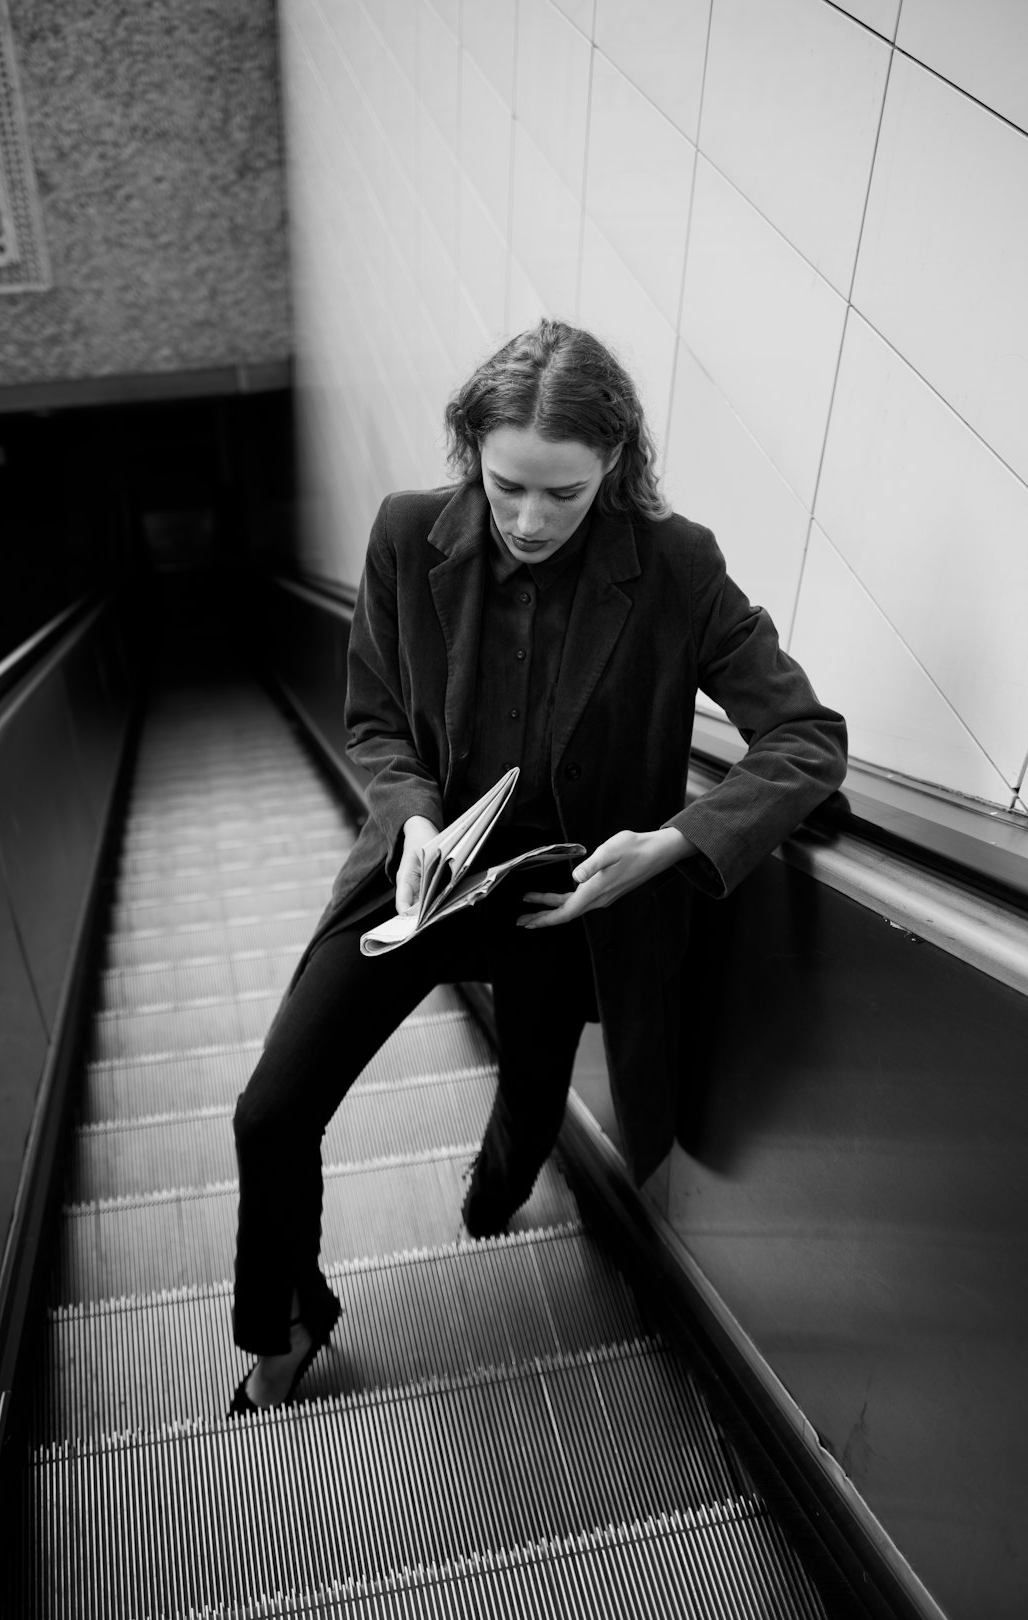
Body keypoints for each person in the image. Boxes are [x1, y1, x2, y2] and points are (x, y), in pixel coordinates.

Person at [228, 319, 848, 1415]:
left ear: (615, 463)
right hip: (418, 880)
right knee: (271, 1112)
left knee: (532, 1086)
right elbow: (375, 721)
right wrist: (413, 819)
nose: (529, 520)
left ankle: (501, 1174)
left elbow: (806, 738)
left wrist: (670, 846)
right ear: (471, 448)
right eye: (509, 484)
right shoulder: (407, 534)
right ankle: (285, 1325)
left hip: (573, 896)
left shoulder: (675, 563)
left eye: (565, 494)